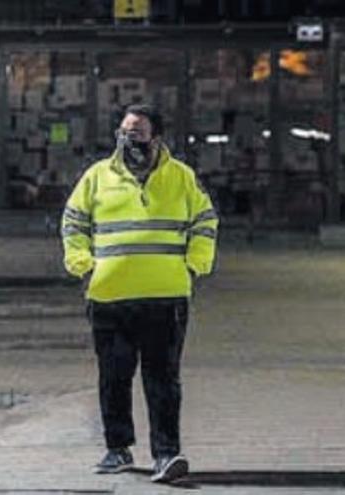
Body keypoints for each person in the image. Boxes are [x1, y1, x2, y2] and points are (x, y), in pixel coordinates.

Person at [60, 104, 219, 483]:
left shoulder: (181, 177)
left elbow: (205, 220)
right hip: (109, 296)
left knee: (163, 379)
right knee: (113, 377)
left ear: (156, 138)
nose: (127, 138)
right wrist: (82, 264)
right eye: (123, 130)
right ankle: (118, 450)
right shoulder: (98, 177)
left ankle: (166, 454)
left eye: (137, 131)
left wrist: (195, 264)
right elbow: (73, 221)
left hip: (165, 298)